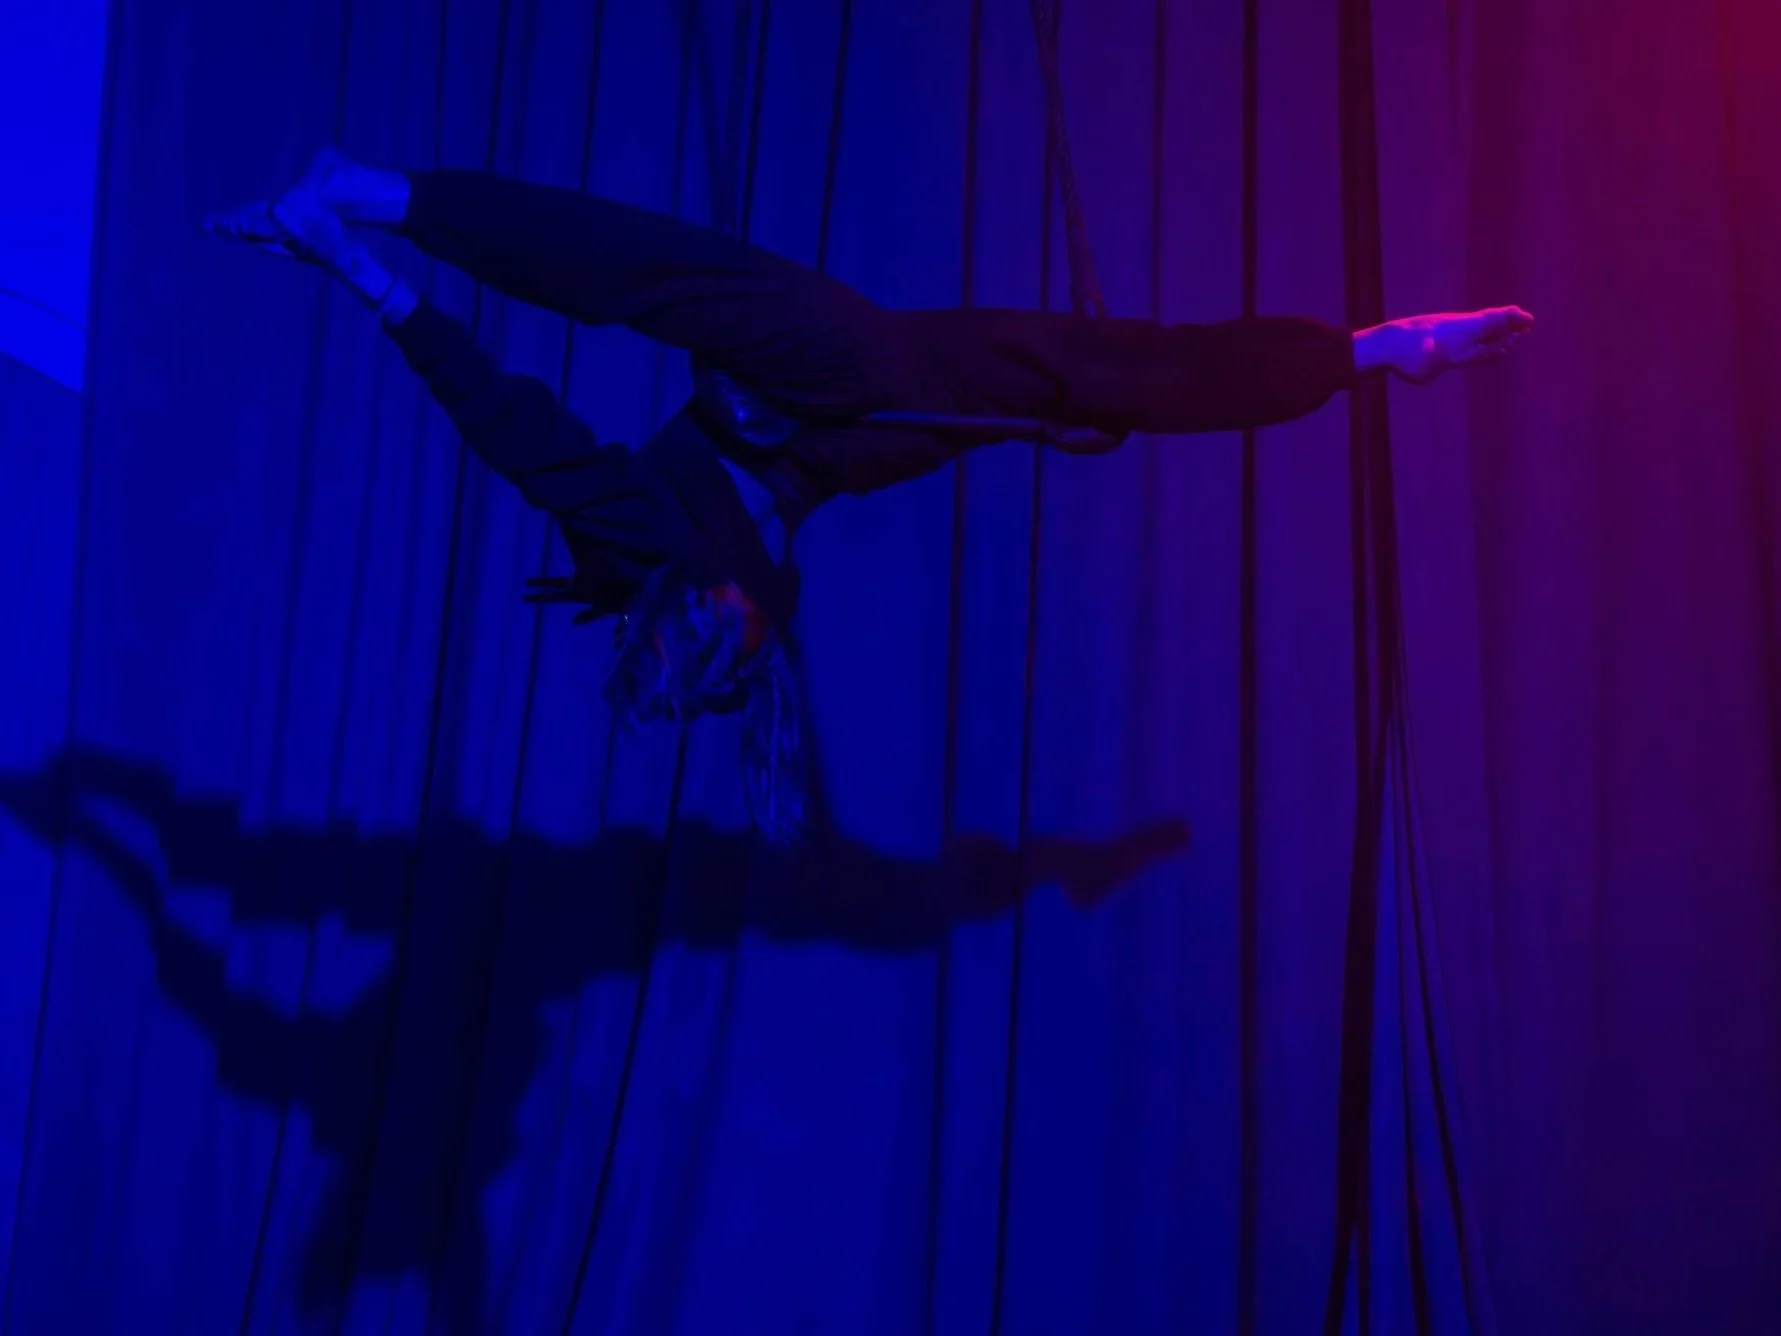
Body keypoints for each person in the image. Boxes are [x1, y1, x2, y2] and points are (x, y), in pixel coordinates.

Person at [205, 149, 1533, 840]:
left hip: (816, 385)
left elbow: (507, 421)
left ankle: (367, 190)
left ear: (686, 621)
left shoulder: (639, 546)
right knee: (1099, 380)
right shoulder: (743, 612)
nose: (744, 646)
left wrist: (356, 268)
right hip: (855, 429)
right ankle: (1378, 351)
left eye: (717, 653)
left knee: (653, 275)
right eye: (740, 662)